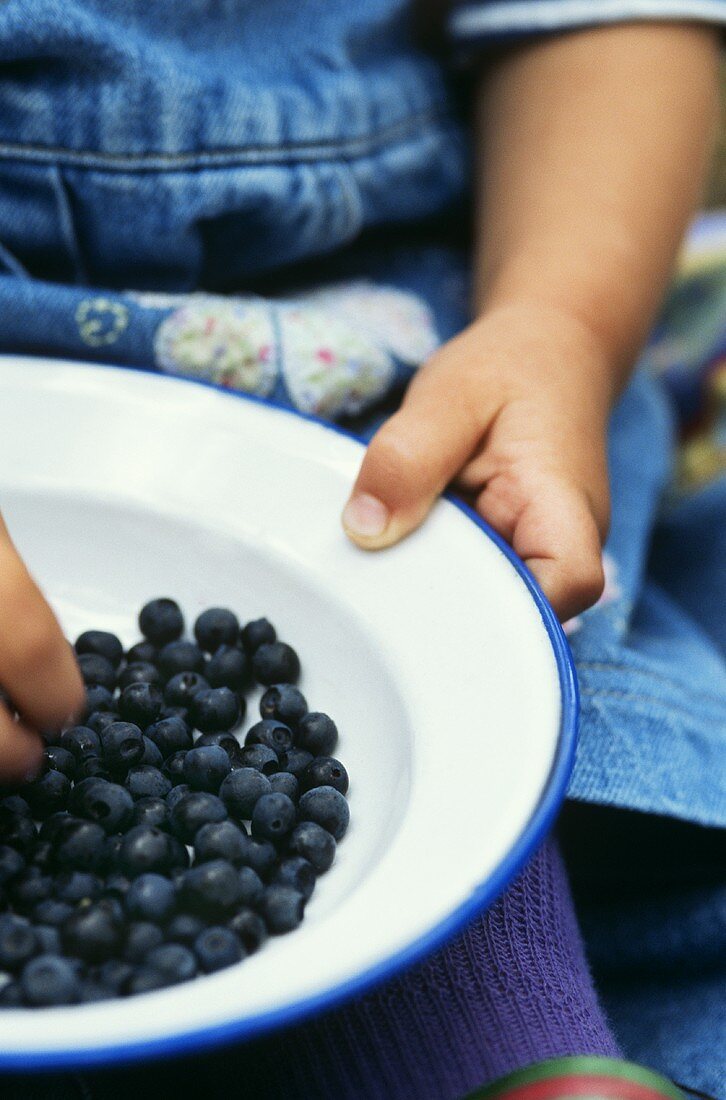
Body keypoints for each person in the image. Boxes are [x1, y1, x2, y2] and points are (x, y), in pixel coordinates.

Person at [0, 3, 724, 1097]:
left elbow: (609, 21)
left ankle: (502, 1039)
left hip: (376, 356)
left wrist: (561, 315)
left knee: (478, 710)